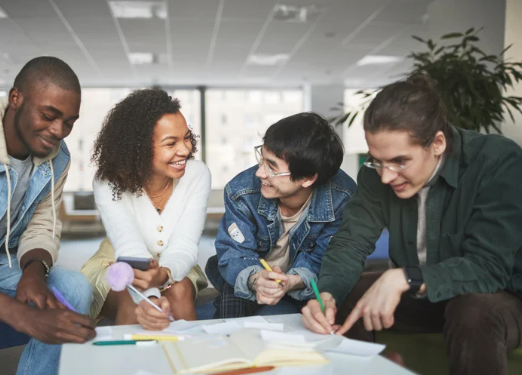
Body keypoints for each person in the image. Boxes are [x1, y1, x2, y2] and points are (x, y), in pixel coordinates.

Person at [301, 74, 522, 375]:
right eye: (377, 160)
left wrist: (405, 277)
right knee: (346, 292)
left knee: (471, 310)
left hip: (501, 297)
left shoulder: (496, 162)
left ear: (438, 144)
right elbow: (350, 242)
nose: (386, 176)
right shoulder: (374, 175)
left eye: (400, 161)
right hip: (425, 296)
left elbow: (489, 267)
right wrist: (326, 295)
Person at [0, 57, 96, 375]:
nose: (59, 131)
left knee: (73, 288)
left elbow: (45, 222)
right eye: (49, 115)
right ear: (16, 98)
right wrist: (25, 317)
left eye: (69, 122)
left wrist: (34, 269)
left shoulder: (57, 157)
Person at [81, 89, 210, 331]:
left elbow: (184, 244)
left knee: (179, 290)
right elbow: (129, 246)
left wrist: (164, 275)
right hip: (118, 262)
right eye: (170, 143)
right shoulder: (108, 181)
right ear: (138, 148)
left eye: (186, 137)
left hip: (176, 263)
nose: (185, 150)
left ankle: (191, 364)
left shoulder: (197, 174)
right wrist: (150, 297)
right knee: (133, 298)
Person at [206, 112, 356, 318]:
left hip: (305, 276)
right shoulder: (241, 190)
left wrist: (292, 282)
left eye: (272, 168)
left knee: (325, 308)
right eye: (262, 159)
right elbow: (235, 252)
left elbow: (326, 259)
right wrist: (256, 279)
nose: (260, 173)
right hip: (252, 268)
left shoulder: (342, 196)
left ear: (307, 178)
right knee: (232, 298)